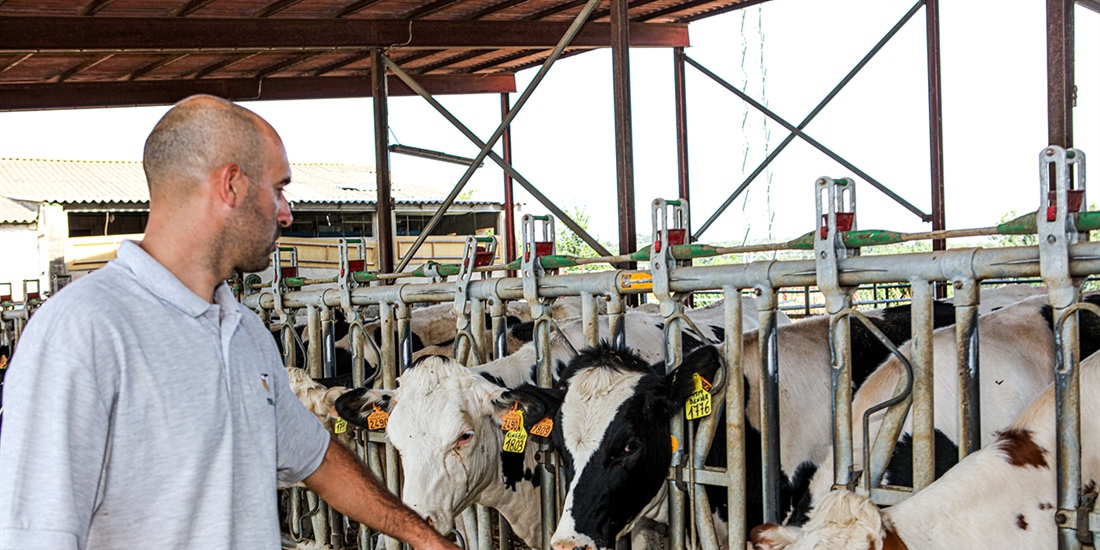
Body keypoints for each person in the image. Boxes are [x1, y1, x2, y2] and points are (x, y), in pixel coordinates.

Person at [0, 95, 459, 550]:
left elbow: (316, 459)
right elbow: (36, 533)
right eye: (278, 189)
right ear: (231, 185)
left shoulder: (245, 333)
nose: (287, 213)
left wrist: (425, 539)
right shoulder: (82, 330)